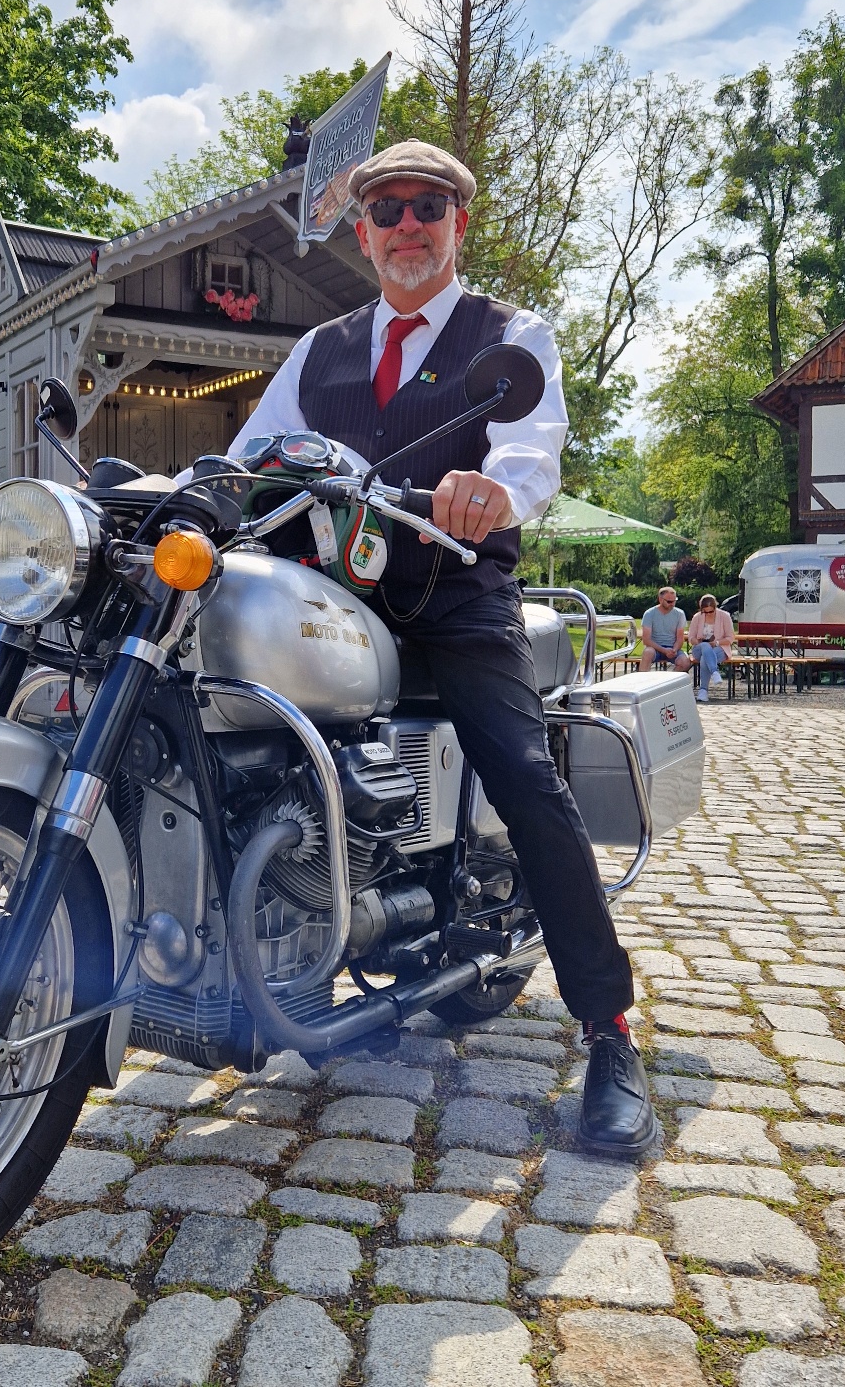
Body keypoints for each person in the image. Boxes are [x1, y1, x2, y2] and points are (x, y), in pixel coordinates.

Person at [224, 139, 653, 1158]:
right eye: (386, 211)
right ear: (362, 231)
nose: (406, 226)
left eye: (427, 208)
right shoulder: (320, 347)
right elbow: (248, 456)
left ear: (458, 223)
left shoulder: (508, 335)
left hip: (455, 592)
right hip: (334, 596)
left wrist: (493, 488)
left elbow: (527, 448)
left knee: (521, 774)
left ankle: (607, 1030)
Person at [687, 592, 736, 703]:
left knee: (706, 658)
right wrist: (697, 641)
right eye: (705, 612)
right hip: (699, 648)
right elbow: (691, 638)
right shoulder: (697, 617)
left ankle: (703, 691)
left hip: (719, 647)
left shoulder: (725, 616)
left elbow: (730, 637)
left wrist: (716, 643)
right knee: (704, 646)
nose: (708, 614)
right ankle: (714, 671)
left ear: (715, 607)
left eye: (711, 611)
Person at [638, 587, 693, 677]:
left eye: (674, 601)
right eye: (669, 601)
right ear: (660, 599)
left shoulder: (680, 614)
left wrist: (674, 649)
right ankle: (642, 682)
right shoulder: (649, 614)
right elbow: (646, 640)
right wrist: (663, 650)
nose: (672, 604)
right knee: (647, 652)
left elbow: (680, 638)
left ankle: (668, 682)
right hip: (655, 648)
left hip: (672, 648)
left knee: (685, 662)